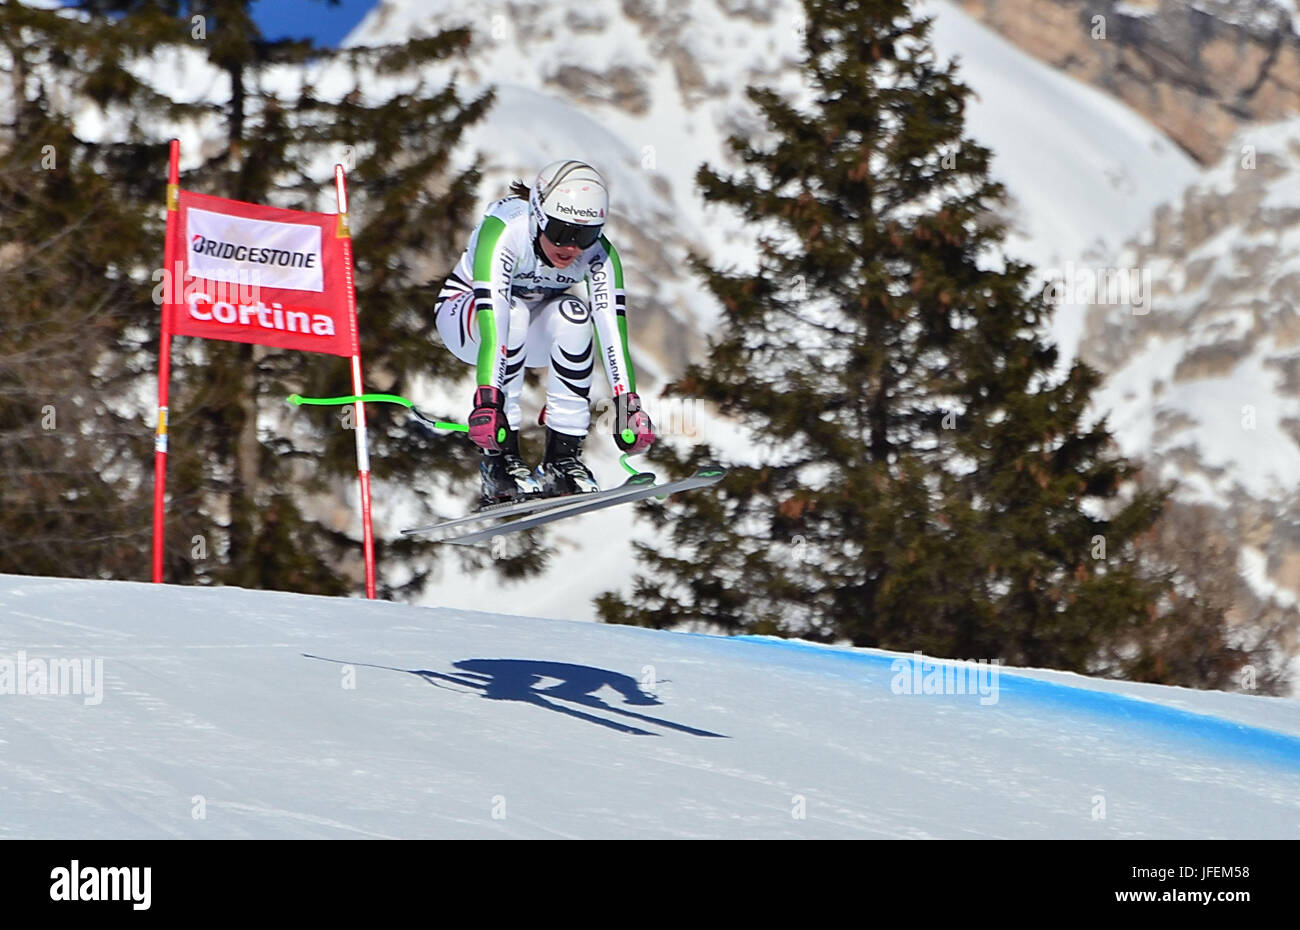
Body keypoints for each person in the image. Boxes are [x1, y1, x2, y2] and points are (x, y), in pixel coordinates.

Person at [434, 159, 655, 505]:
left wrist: (627, 405)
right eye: (562, 232)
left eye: (586, 234)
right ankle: (500, 462)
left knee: (575, 314)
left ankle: (561, 461)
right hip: (467, 321)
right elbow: (494, 323)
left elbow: (612, 329)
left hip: (527, 329)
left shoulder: (599, 256)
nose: (572, 248)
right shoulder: (506, 230)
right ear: (537, 214)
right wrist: (488, 403)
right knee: (514, 312)